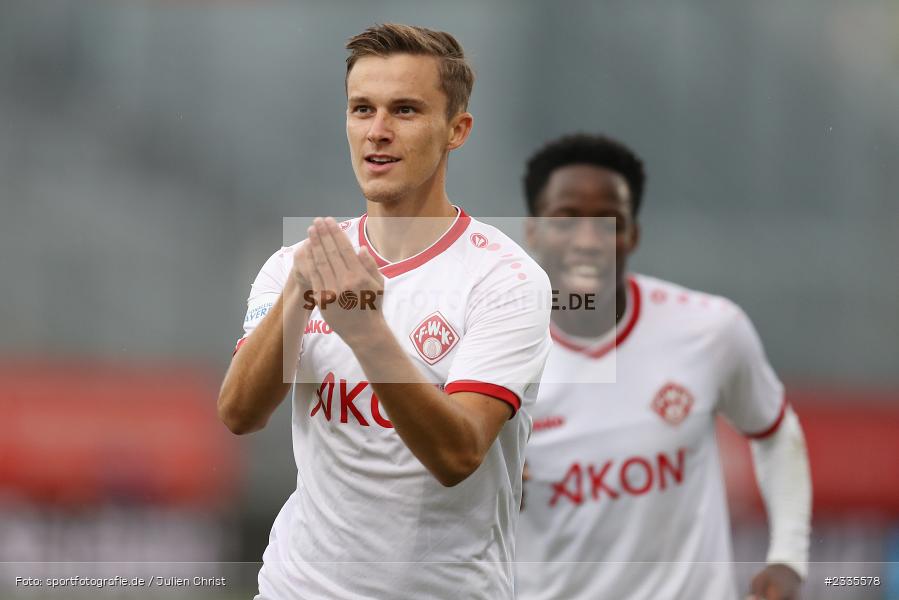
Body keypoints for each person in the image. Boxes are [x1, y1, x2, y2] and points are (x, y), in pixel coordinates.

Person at [217, 24, 552, 600]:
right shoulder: (296, 263)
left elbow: (457, 454)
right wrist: (300, 289)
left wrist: (367, 333)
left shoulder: (506, 279)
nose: (377, 131)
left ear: (457, 130)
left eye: (405, 110)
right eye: (362, 109)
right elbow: (239, 414)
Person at [515, 133, 812, 600]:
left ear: (634, 234)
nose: (588, 241)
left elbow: (775, 433)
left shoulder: (710, 330)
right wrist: (485, 486)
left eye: (609, 223)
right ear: (533, 231)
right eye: (566, 220)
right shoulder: (496, 354)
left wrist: (788, 559)